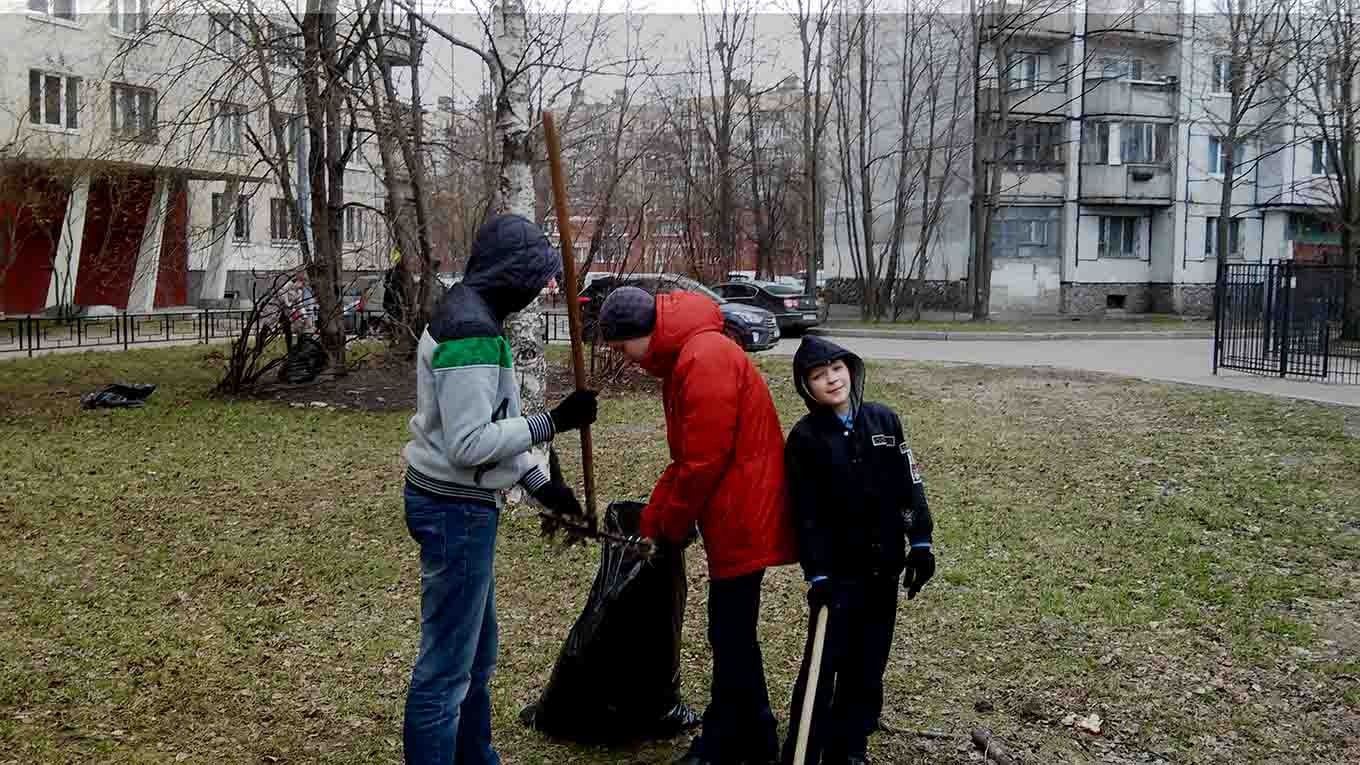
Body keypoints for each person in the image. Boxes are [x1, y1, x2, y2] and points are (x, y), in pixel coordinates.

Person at [401, 213, 599, 765]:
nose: (544, 287)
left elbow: (493, 419)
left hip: (457, 501)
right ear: (513, 272)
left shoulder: (477, 313)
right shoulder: (473, 332)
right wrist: (553, 422)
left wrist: (542, 485)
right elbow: (469, 443)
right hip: (454, 510)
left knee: (478, 655)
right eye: (539, 275)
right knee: (446, 669)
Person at [599, 285, 796, 765]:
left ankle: (726, 741)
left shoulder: (702, 358)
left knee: (729, 632)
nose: (624, 359)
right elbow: (686, 459)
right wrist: (652, 518)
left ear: (644, 333)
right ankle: (757, 736)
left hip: (741, 513)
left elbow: (703, 463)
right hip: (732, 507)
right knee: (732, 631)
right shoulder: (687, 354)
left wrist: (668, 527)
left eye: (623, 348)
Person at [779, 336, 936, 765]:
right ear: (805, 386)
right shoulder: (805, 439)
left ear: (851, 368)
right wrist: (818, 575)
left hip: (883, 566)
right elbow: (805, 514)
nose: (831, 379)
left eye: (836, 368)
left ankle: (850, 746)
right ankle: (804, 748)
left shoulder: (885, 420)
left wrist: (919, 541)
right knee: (824, 664)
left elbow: (910, 485)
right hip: (838, 575)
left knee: (868, 664)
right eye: (818, 375)